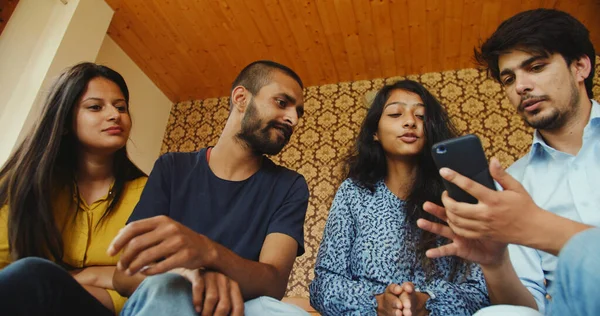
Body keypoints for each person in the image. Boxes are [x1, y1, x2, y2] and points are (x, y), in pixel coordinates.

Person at [416, 9, 600, 316]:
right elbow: (526, 308)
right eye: (509, 78)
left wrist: (537, 227)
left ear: (580, 66)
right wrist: (495, 262)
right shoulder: (511, 183)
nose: (520, 87)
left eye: (536, 67)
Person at [107, 60, 310, 316]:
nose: (293, 119)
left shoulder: (290, 185)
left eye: (298, 112)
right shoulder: (172, 167)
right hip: (171, 293)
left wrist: (209, 253)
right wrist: (192, 277)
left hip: (240, 306)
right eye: (282, 103)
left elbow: (273, 283)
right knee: (166, 289)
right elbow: (124, 276)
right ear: (240, 98)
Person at [309, 80, 490, 316]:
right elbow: (323, 286)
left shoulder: (457, 193)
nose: (410, 122)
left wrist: (427, 302)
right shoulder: (352, 193)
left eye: (421, 116)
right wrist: (377, 304)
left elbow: (480, 292)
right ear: (375, 132)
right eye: (395, 113)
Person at [0, 62, 147, 315]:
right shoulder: (28, 186)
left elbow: (151, 280)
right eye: (95, 107)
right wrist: (103, 275)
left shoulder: (150, 190)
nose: (115, 115)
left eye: (121, 107)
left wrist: (69, 281)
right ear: (65, 121)